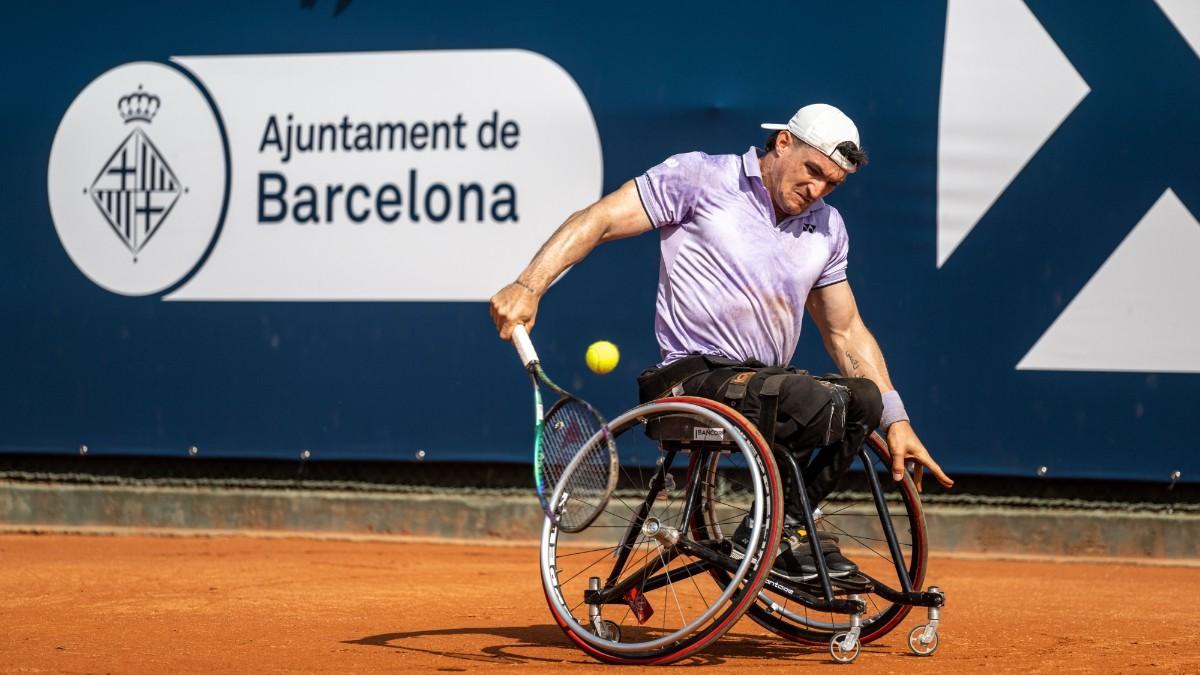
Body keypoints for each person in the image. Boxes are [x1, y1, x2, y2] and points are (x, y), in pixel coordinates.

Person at [490, 103, 953, 581]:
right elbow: (600, 220)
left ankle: (785, 526)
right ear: (783, 143)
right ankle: (784, 531)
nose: (817, 189)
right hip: (692, 380)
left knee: (862, 399)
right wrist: (529, 286)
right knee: (806, 396)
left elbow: (845, 331)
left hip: (764, 386)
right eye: (813, 171)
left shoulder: (828, 227)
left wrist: (895, 420)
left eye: (832, 183)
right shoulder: (699, 177)